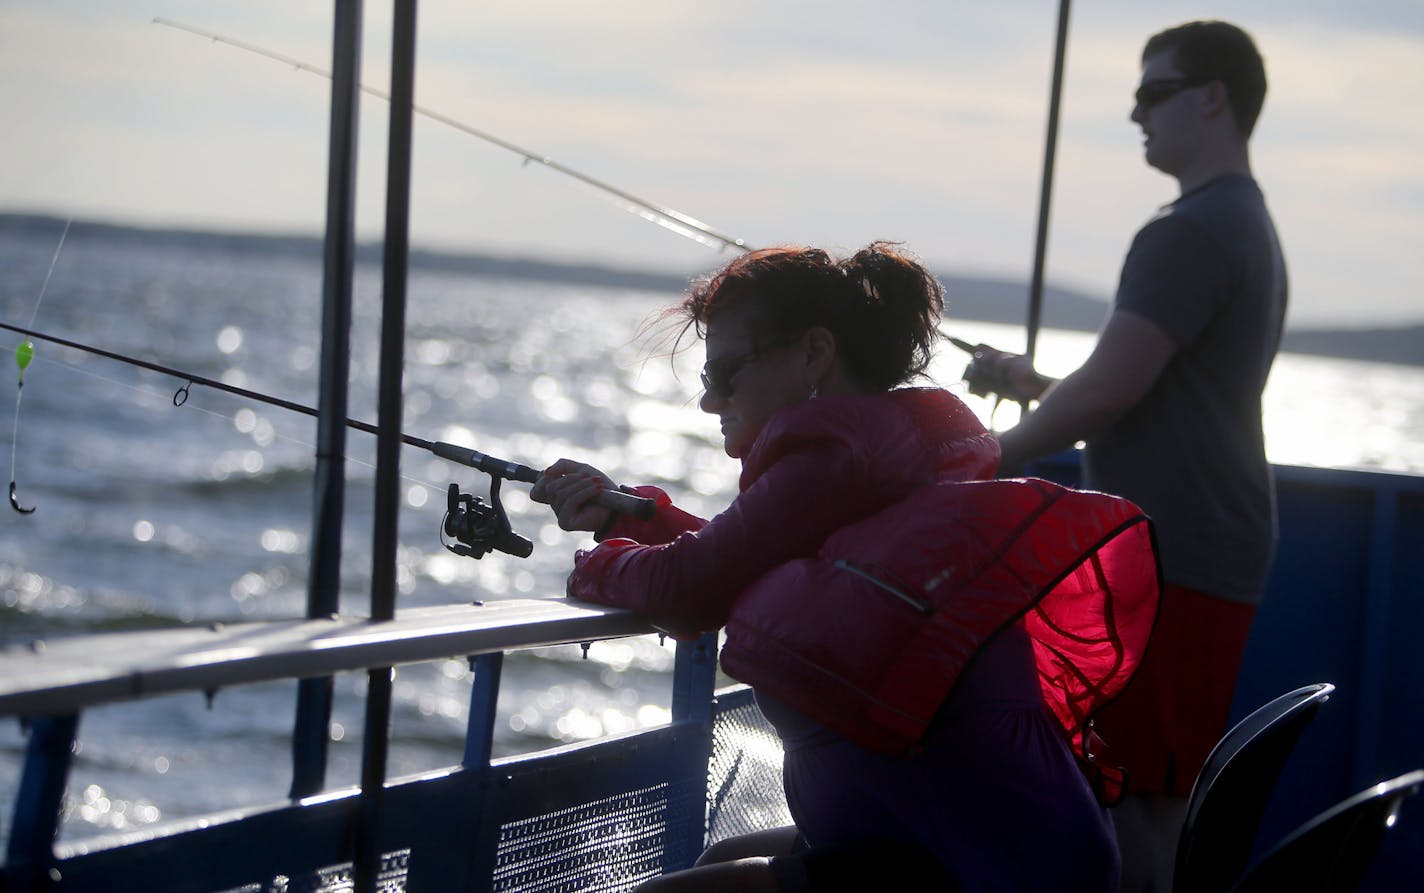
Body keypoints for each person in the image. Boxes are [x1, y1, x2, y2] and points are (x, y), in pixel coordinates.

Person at [532, 243, 1160, 891]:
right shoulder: (884, 453)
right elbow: (756, 562)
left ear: (814, 352)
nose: (709, 402)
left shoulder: (836, 458)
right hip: (973, 837)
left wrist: (596, 563)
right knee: (718, 861)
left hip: (974, 865)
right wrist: (630, 520)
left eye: (726, 373)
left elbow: (686, 586)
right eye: (703, 380)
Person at [976, 20, 1287, 892]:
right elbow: (1149, 389)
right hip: (1208, 544)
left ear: (1212, 97)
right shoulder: (1243, 221)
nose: (1136, 114)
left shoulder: (1188, 231)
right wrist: (1041, 384)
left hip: (1173, 553)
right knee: (1157, 788)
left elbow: (1110, 392)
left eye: (1154, 94)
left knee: (1136, 795)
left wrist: (979, 454)